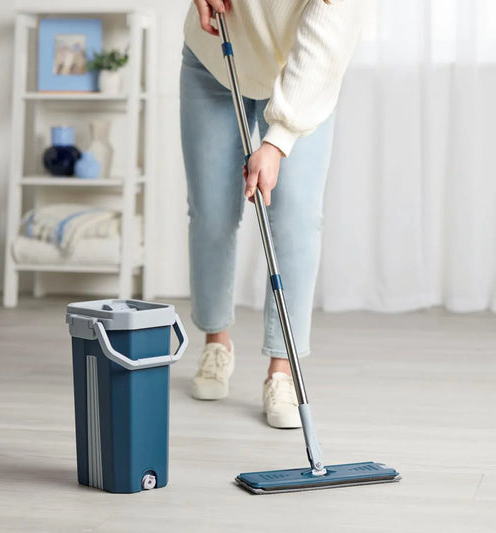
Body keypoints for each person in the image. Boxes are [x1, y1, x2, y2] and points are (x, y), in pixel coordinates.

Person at [180, 0, 363, 428]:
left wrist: (278, 141)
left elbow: (323, 48)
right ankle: (216, 342)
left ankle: (283, 369)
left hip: (300, 75)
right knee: (211, 211)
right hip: (216, 57)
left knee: (297, 221)